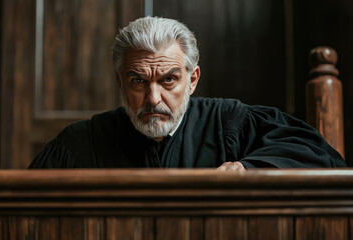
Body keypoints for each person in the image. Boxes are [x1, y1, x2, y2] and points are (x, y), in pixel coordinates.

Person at [29, 16, 346, 170]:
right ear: (119, 81)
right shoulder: (83, 142)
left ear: (192, 79)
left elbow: (322, 156)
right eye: (138, 81)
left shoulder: (230, 123)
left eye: (168, 80)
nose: (153, 99)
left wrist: (246, 169)